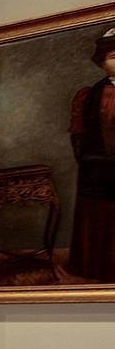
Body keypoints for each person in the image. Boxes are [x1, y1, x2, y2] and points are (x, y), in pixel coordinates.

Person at [66, 26, 115, 281]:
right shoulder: (88, 96)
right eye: (113, 57)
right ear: (102, 62)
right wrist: (86, 160)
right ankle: (95, 266)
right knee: (99, 214)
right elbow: (78, 131)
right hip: (97, 167)